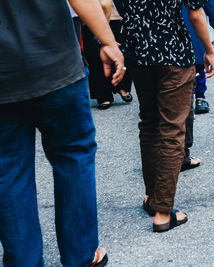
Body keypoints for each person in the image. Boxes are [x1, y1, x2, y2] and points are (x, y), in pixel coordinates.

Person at [0, 0, 125, 266]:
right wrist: (107, 42)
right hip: (56, 61)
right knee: (74, 156)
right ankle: (81, 256)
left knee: (9, 173)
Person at [118, 0, 214, 232]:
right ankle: (163, 211)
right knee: (173, 129)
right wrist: (209, 50)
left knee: (150, 124)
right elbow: (195, 13)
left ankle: (153, 198)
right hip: (174, 52)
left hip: (138, 52)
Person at [180, 0, 214, 171]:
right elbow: (205, 6)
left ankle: (154, 158)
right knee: (182, 104)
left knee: (149, 112)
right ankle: (181, 154)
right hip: (182, 43)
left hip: (141, 48)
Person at [82, 6, 133, 110]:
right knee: (96, 56)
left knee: (120, 50)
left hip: (115, 13)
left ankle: (121, 86)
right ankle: (104, 95)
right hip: (90, 13)